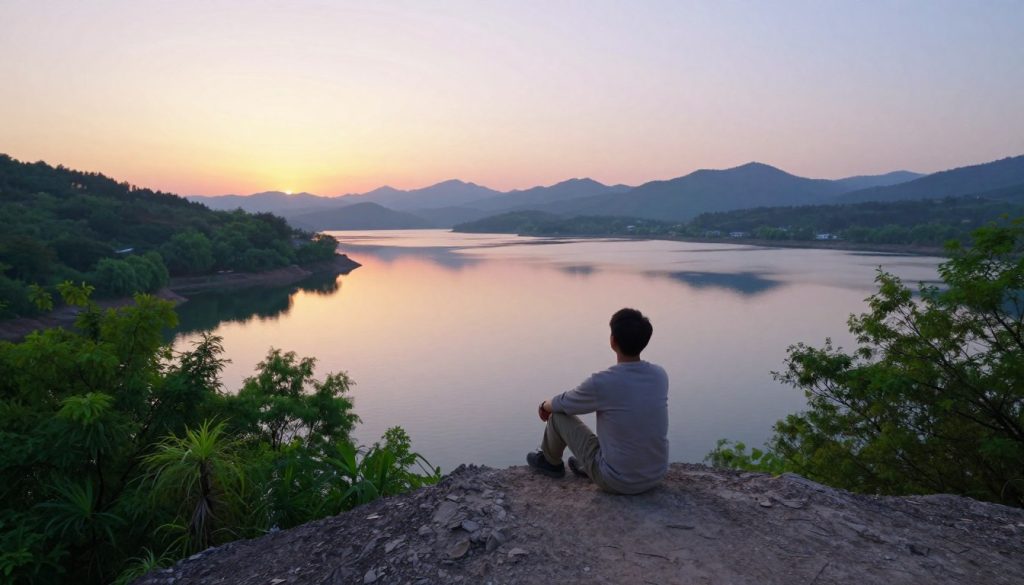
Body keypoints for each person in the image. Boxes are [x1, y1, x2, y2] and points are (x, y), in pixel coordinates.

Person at [527, 308, 669, 494]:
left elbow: (564, 404)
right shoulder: (659, 375)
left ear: (613, 341)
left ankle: (550, 462)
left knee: (557, 417)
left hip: (618, 481)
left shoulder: (603, 382)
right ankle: (589, 465)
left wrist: (544, 405)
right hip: (655, 475)